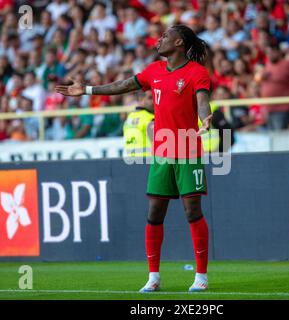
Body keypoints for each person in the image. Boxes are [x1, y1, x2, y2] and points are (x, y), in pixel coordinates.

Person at [56, 25, 213, 293]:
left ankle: (201, 276)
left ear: (178, 42)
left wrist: (205, 117)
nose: (159, 39)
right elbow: (124, 85)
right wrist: (88, 91)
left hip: (187, 148)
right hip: (162, 153)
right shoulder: (153, 70)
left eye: (165, 36)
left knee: (192, 211)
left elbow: (202, 100)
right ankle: (153, 277)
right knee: (154, 212)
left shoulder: (196, 72)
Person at [123, 91, 154, 157]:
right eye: (150, 98)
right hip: (147, 161)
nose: (153, 101)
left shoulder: (129, 117)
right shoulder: (149, 118)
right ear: (141, 99)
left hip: (130, 161)